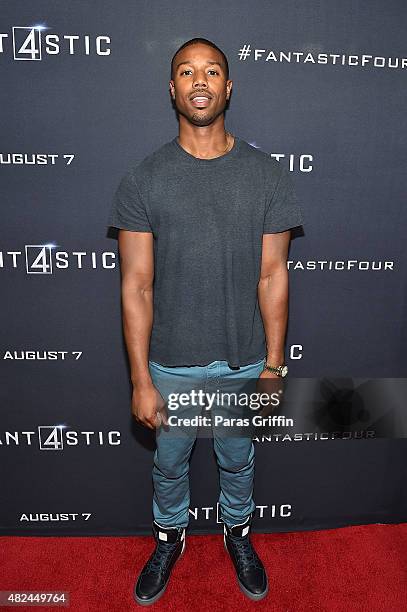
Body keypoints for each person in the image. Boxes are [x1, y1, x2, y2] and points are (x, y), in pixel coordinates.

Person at [107, 37, 304, 606]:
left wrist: (272, 363)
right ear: (172, 89)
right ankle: (169, 538)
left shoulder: (268, 176)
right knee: (168, 468)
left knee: (238, 460)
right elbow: (135, 286)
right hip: (170, 364)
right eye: (187, 72)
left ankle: (237, 533)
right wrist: (141, 379)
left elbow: (273, 276)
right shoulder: (142, 179)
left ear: (228, 86)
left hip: (243, 362)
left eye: (212, 71)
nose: (200, 81)